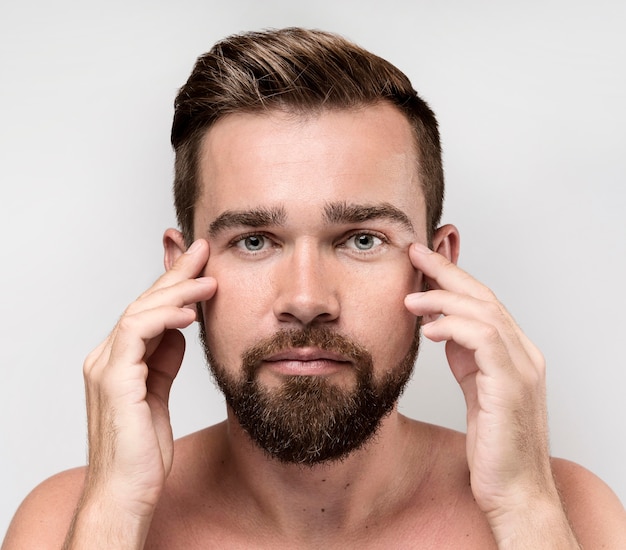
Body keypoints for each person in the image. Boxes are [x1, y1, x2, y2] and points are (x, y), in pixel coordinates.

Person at [3, 27, 625, 549]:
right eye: (254, 240)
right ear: (181, 274)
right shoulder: (66, 523)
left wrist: (526, 508)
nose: (306, 300)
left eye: (360, 239)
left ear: (438, 266)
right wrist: (115, 510)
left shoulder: (574, 516)